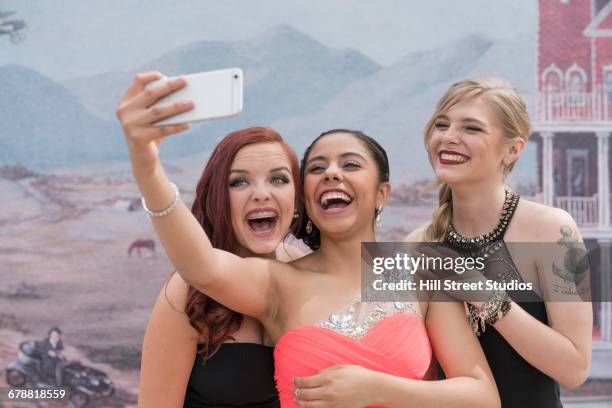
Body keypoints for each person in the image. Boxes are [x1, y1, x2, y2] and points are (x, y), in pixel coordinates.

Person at [120, 71, 500, 407]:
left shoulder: (422, 272)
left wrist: (379, 389)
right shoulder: (278, 282)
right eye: (317, 168)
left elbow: (482, 395)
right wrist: (147, 165)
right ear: (307, 197)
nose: (332, 173)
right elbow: (199, 265)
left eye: (350, 164)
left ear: (383, 193)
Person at [117, 74, 304, 408]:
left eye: (278, 179)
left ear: (297, 199)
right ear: (217, 198)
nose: (261, 194)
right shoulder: (186, 293)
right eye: (239, 183)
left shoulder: (314, 272)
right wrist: (146, 164)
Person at [406, 78, 592, 407]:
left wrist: (486, 297)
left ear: (513, 149)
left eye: (472, 128)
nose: (449, 137)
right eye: (442, 124)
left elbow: (575, 368)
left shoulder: (552, 230)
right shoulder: (416, 244)